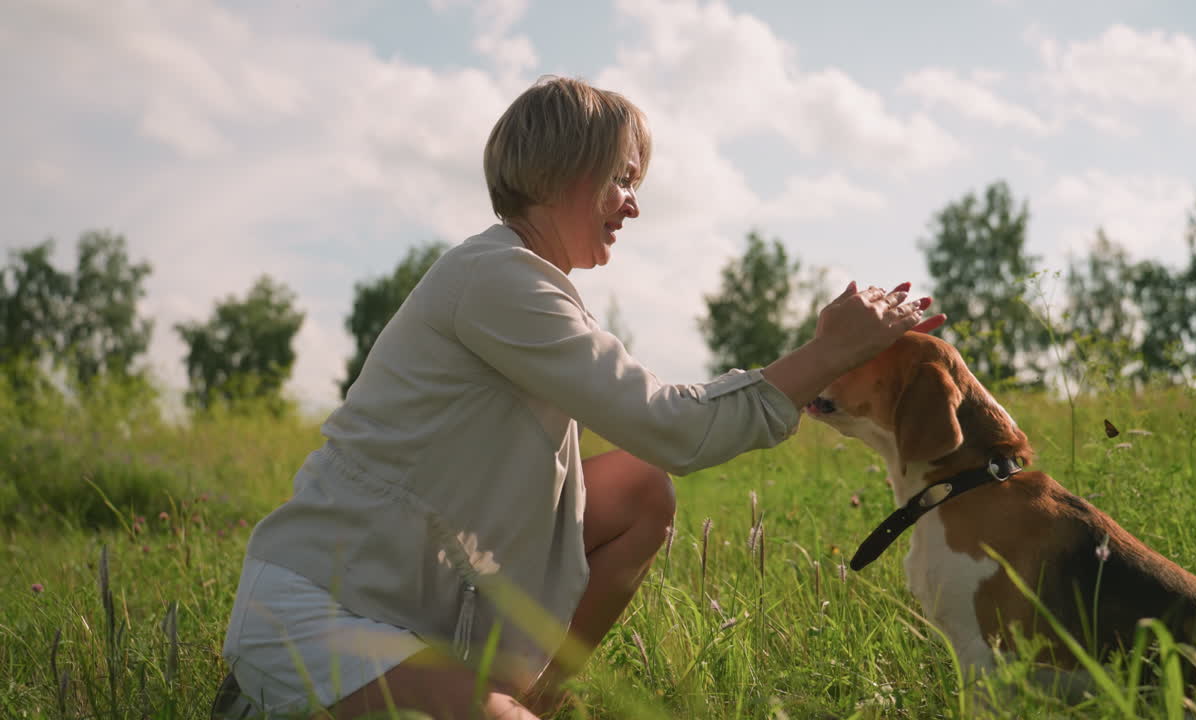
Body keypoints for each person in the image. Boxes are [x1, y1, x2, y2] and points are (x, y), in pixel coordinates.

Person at [211, 75, 944, 720]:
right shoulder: (495, 280)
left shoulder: (529, 286)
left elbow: (658, 440)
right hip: (323, 611)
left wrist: (826, 360)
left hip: (424, 611)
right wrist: (828, 353)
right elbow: (675, 426)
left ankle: (530, 697)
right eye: (624, 179)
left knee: (638, 493)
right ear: (568, 165)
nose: (632, 207)